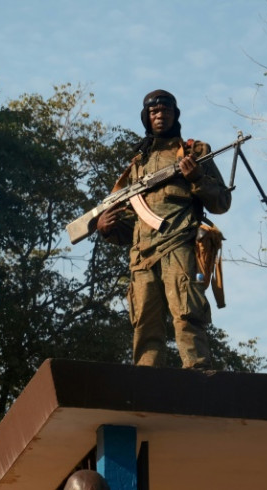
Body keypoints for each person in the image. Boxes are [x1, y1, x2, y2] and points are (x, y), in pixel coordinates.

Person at [97, 89, 232, 369]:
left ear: (175, 114)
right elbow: (132, 224)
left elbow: (221, 202)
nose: (161, 116)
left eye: (166, 111)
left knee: (187, 315)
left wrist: (196, 178)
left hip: (179, 245)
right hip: (141, 256)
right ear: (146, 117)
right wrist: (106, 229)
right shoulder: (137, 164)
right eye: (154, 112)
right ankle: (146, 381)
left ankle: (198, 373)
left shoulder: (194, 151)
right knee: (145, 323)